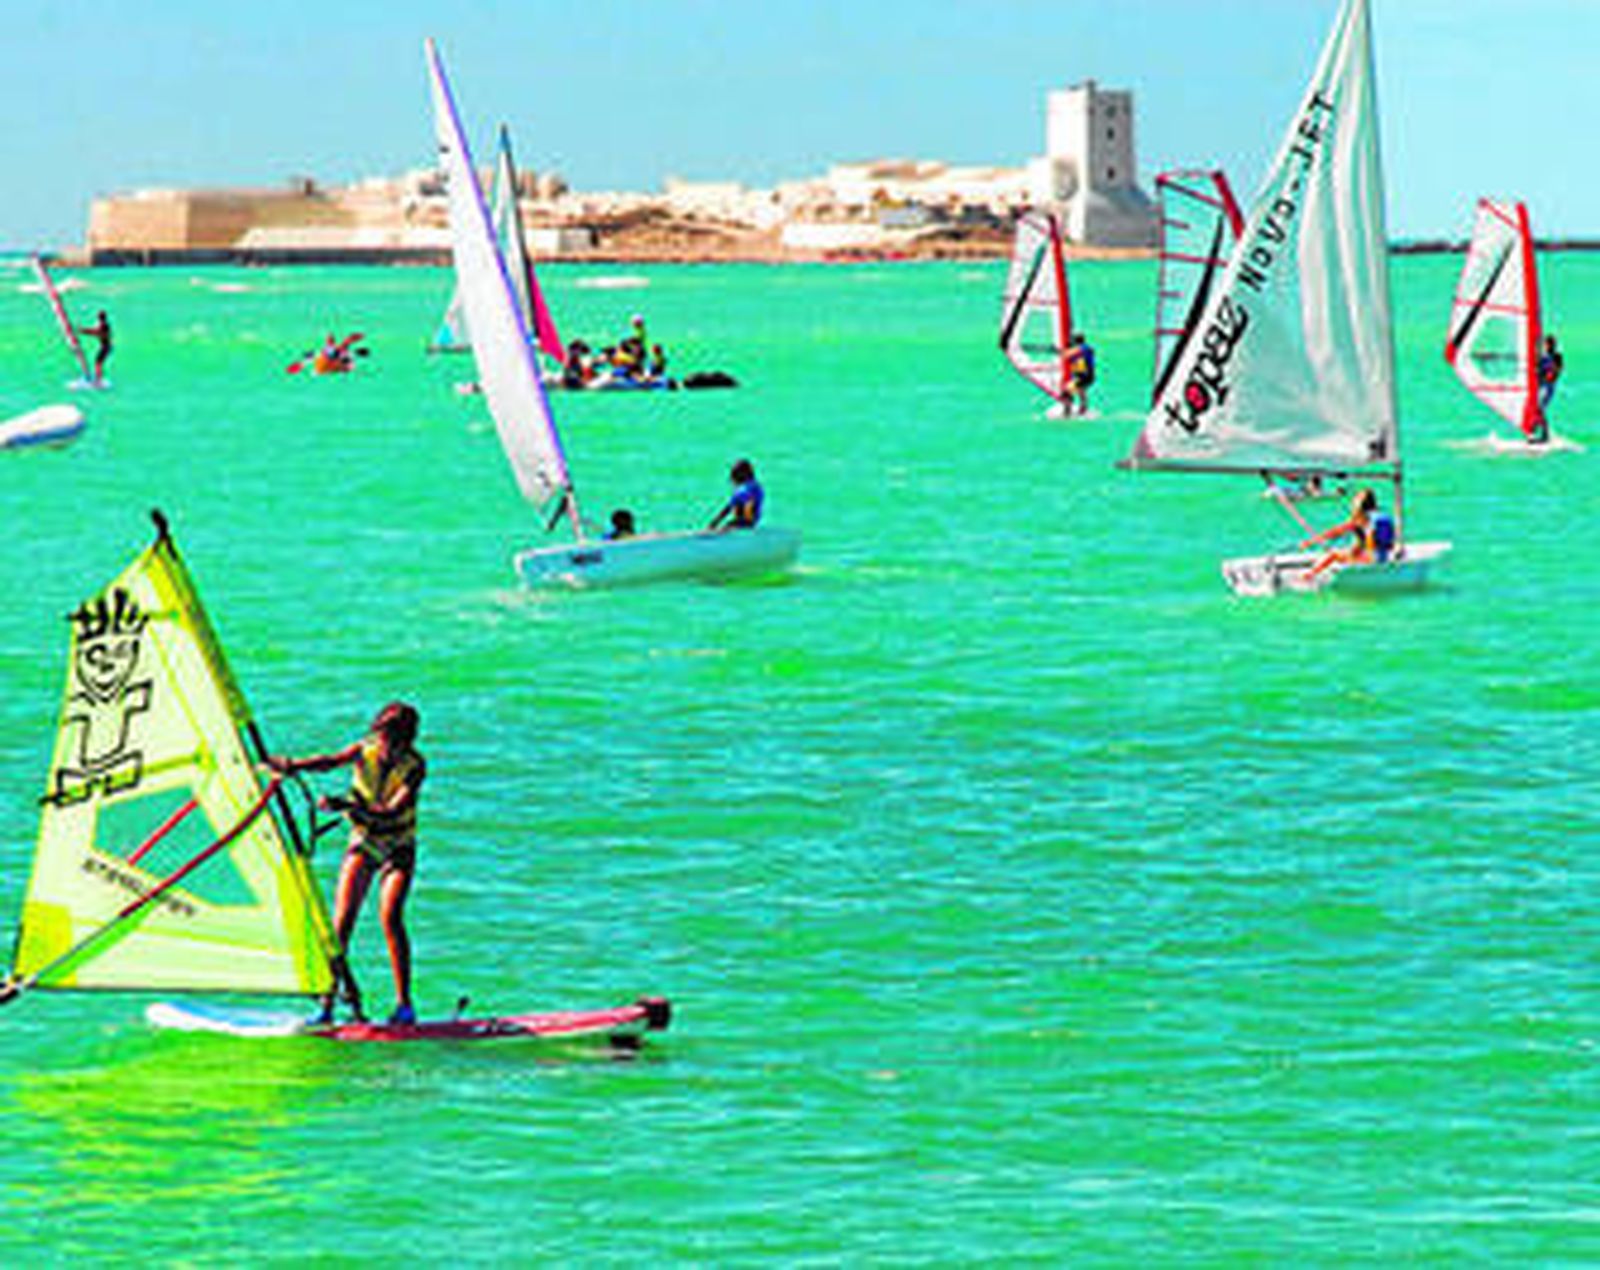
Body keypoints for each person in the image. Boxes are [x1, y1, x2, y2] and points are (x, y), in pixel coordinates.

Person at [269, 702, 427, 1026]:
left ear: (406, 742)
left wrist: (346, 804)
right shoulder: (364, 750)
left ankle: (404, 1007)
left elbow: (392, 811)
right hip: (364, 843)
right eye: (381, 738)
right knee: (341, 924)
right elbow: (329, 761)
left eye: (392, 742)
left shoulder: (415, 767)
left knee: (391, 917)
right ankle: (327, 1004)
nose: (385, 747)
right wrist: (292, 765)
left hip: (398, 847)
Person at [1303, 488, 1390, 582]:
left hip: (1371, 561)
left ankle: (1310, 575)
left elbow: (1336, 531)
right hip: (1383, 556)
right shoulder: (1381, 516)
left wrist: (1311, 541)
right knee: (1354, 547)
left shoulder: (1363, 519)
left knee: (1334, 555)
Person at [709, 458, 763, 530]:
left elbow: (729, 507)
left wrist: (715, 522)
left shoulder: (743, 489)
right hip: (752, 523)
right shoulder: (757, 486)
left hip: (741, 523)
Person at [1533, 334, 1563, 442]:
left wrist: (1551, 374)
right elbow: (1535, 366)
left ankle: (1545, 435)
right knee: (1534, 409)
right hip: (1538, 386)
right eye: (1547, 344)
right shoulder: (1542, 357)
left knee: (1540, 408)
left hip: (1548, 387)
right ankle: (1534, 432)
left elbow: (1558, 370)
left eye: (1551, 344)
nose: (1549, 346)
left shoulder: (1557, 356)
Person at [1065, 331, 1096, 415]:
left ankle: (1067, 412)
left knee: (1066, 391)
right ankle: (1083, 410)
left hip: (1085, 377)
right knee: (1080, 391)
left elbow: (1071, 354)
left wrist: (1063, 350)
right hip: (1083, 376)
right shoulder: (1077, 349)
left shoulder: (1086, 348)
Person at [78, 310, 112, 385]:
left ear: (99, 317)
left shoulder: (103, 325)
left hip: (105, 347)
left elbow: (95, 332)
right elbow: (95, 330)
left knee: (98, 363)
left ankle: (99, 381)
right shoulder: (103, 324)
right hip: (106, 346)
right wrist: (83, 330)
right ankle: (98, 379)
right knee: (98, 363)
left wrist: (83, 330)